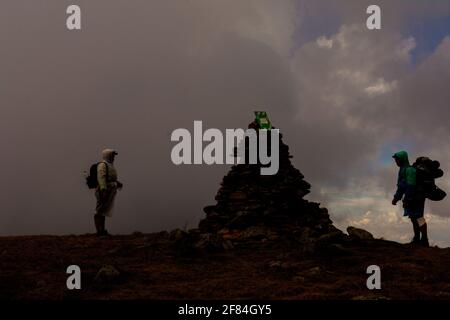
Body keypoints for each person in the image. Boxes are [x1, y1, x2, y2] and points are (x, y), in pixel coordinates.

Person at [392, 151, 429, 247]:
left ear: (403, 159)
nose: (396, 161)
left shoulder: (409, 170)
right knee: (413, 218)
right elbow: (401, 186)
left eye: (397, 159)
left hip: (417, 197)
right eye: (396, 160)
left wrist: (407, 200)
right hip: (413, 197)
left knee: (419, 217)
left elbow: (410, 186)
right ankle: (417, 239)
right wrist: (396, 198)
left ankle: (424, 240)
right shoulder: (402, 170)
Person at [94, 149, 123, 237]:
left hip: (109, 190)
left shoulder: (110, 165)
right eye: (112, 155)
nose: (113, 157)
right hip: (104, 191)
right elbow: (101, 177)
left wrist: (117, 183)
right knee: (99, 211)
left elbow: (110, 178)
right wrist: (103, 189)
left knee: (103, 211)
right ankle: (99, 232)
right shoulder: (103, 165)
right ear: (107, 155)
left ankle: (102, 231)